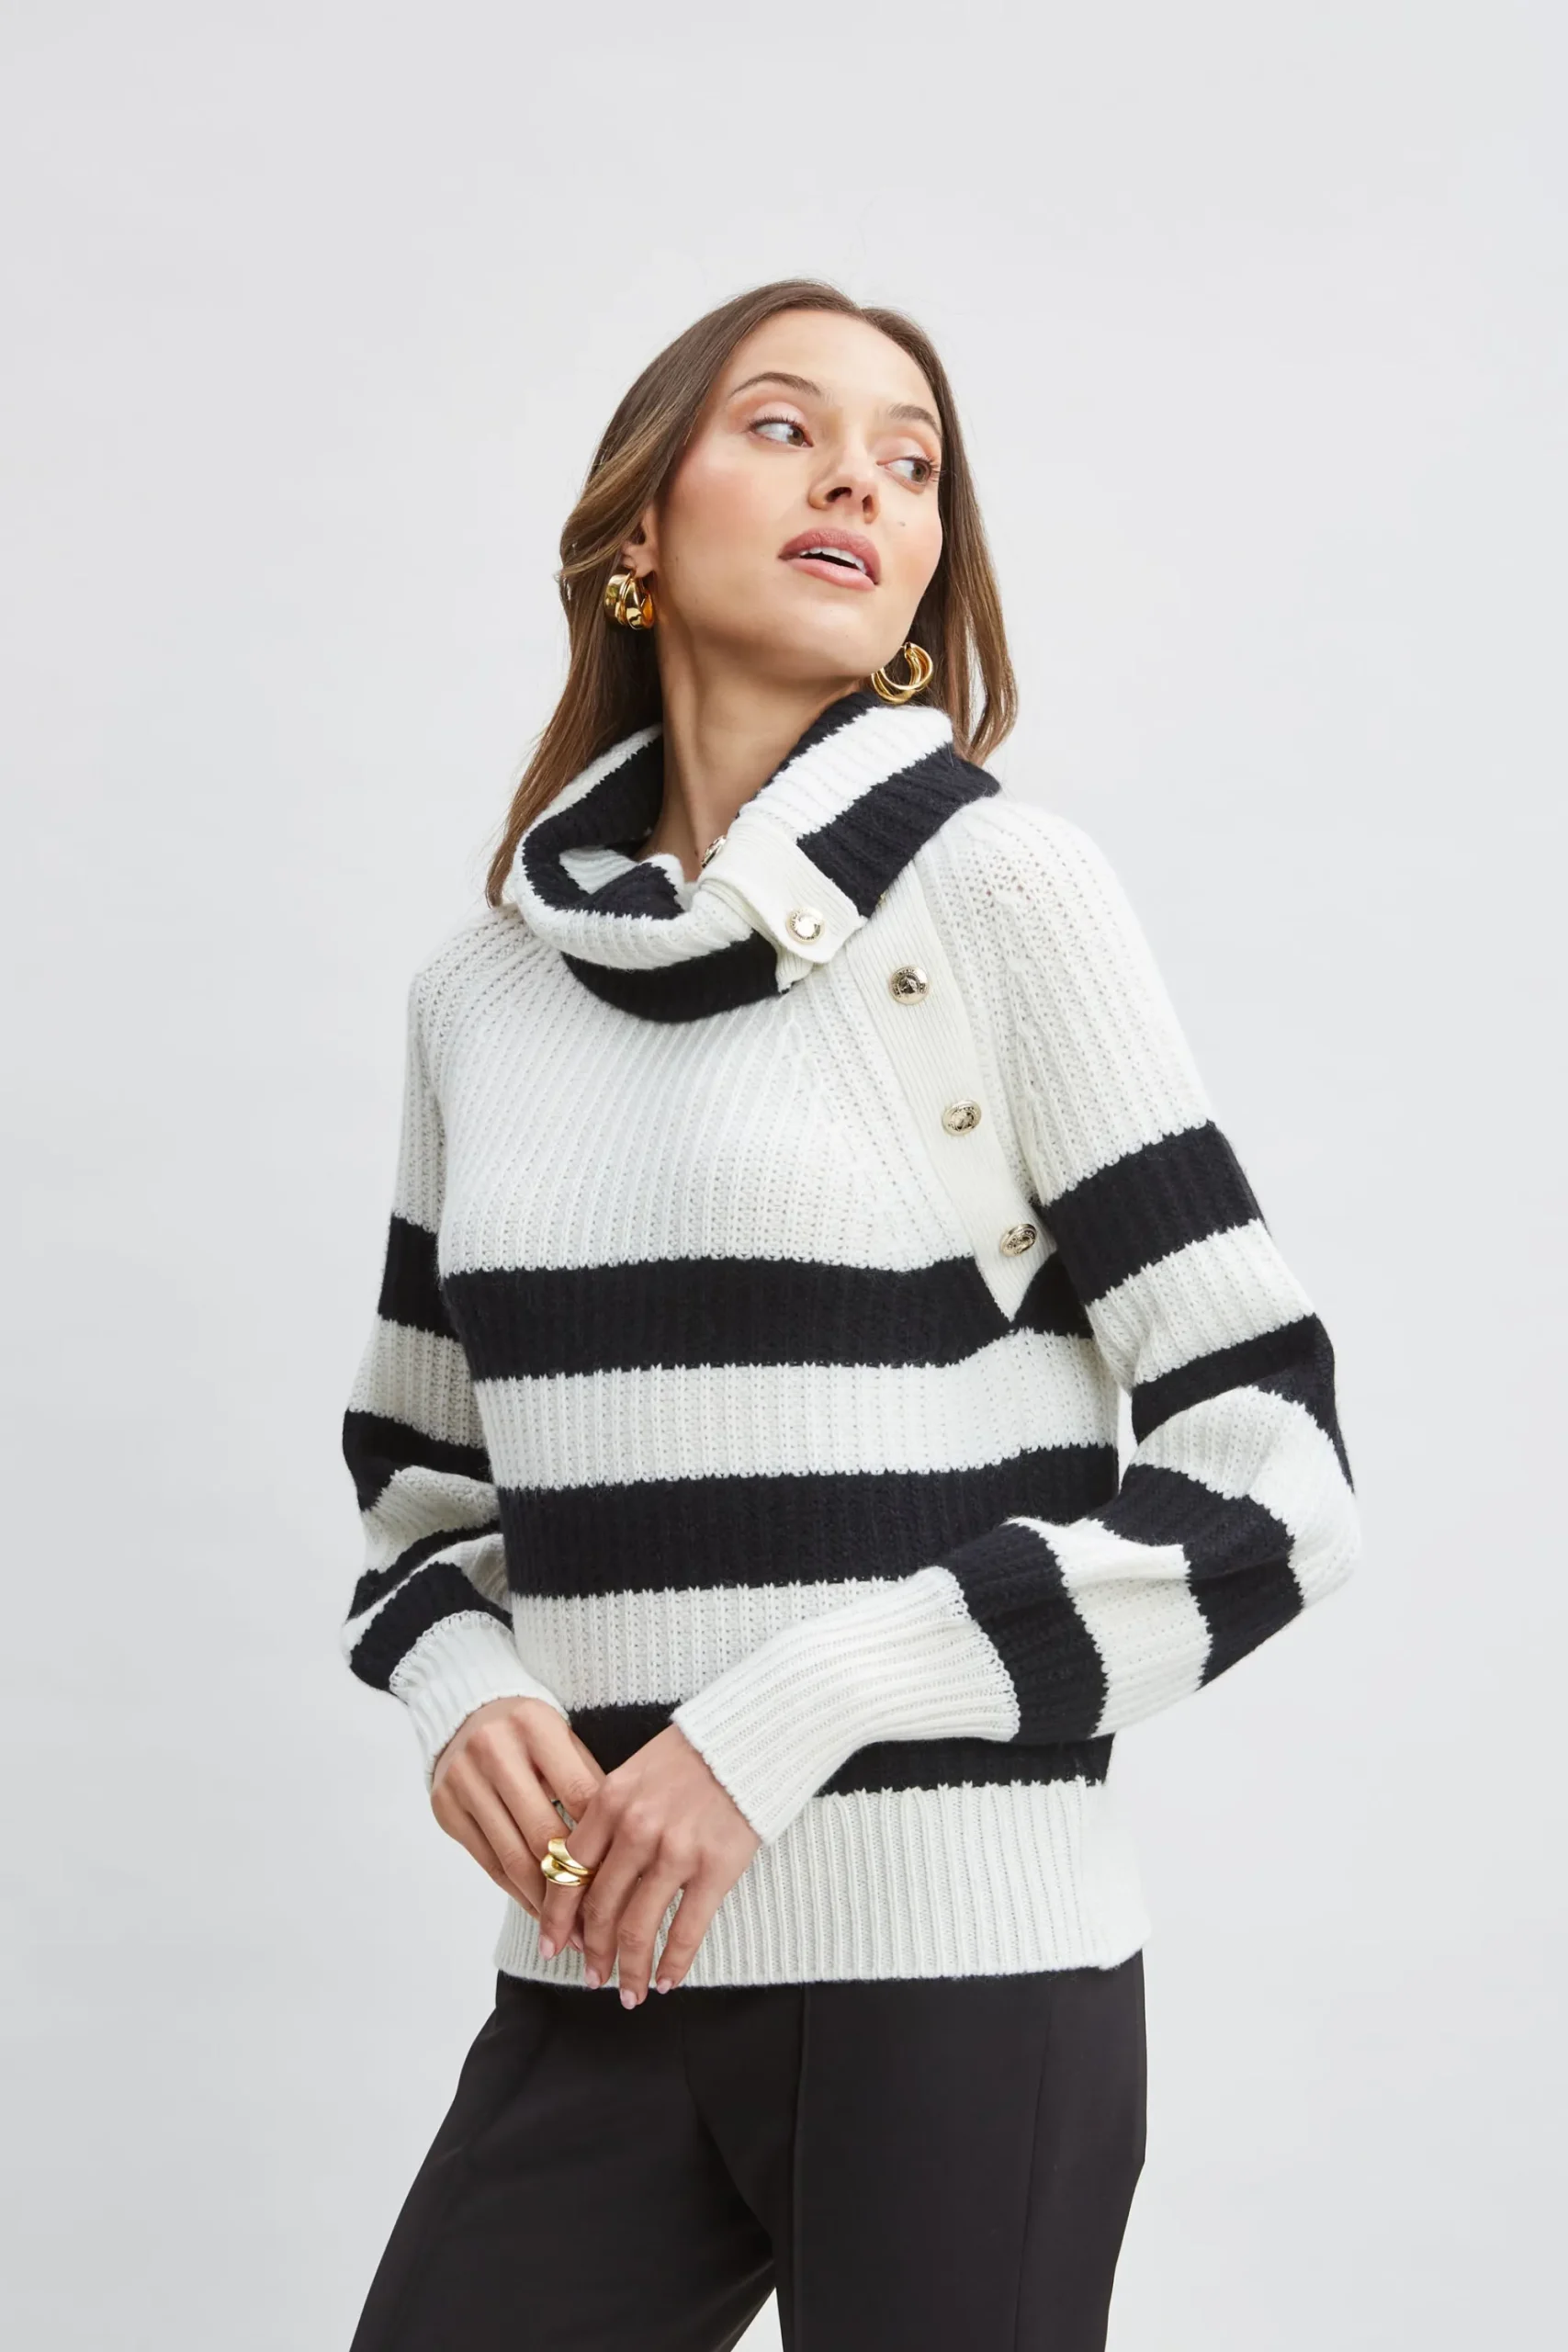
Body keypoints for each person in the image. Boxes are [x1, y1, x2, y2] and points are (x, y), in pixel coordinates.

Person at [338, 276, 1360, 2351]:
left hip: (958, 1983)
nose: (861, 484)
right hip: (601, 1972)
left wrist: (784, 1711)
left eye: (910, 463)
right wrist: (459, 1693)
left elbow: (1273, 1466)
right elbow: (421, 1489)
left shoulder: (997, 893)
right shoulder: (485, 995)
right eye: (785, 428)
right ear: (637, 527)